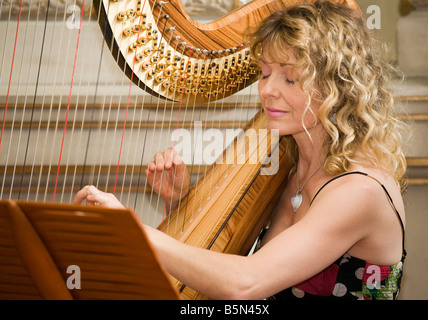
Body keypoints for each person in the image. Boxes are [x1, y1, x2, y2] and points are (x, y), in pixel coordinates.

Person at [74, 1, 408, 300]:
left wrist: (134, 230)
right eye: (264, 73)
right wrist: (180, 200)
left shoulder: (359, 191)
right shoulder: (290, 169)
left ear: (337, 87)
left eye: (290, 79)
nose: (268, 91)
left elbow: (246, 283)